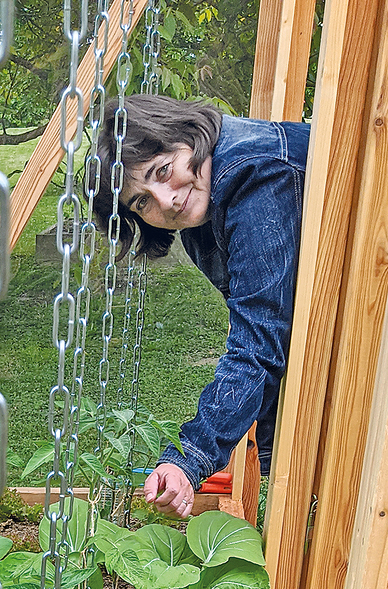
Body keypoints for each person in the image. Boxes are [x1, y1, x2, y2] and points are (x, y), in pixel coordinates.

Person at [92, 94, 310, 519]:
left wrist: (190, 457)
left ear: (187, 136)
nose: (165, 200)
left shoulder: (255, 177)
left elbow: (258, 340)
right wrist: (265, 452)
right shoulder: (202, 205)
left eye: (161, 171)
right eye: (141, 202)